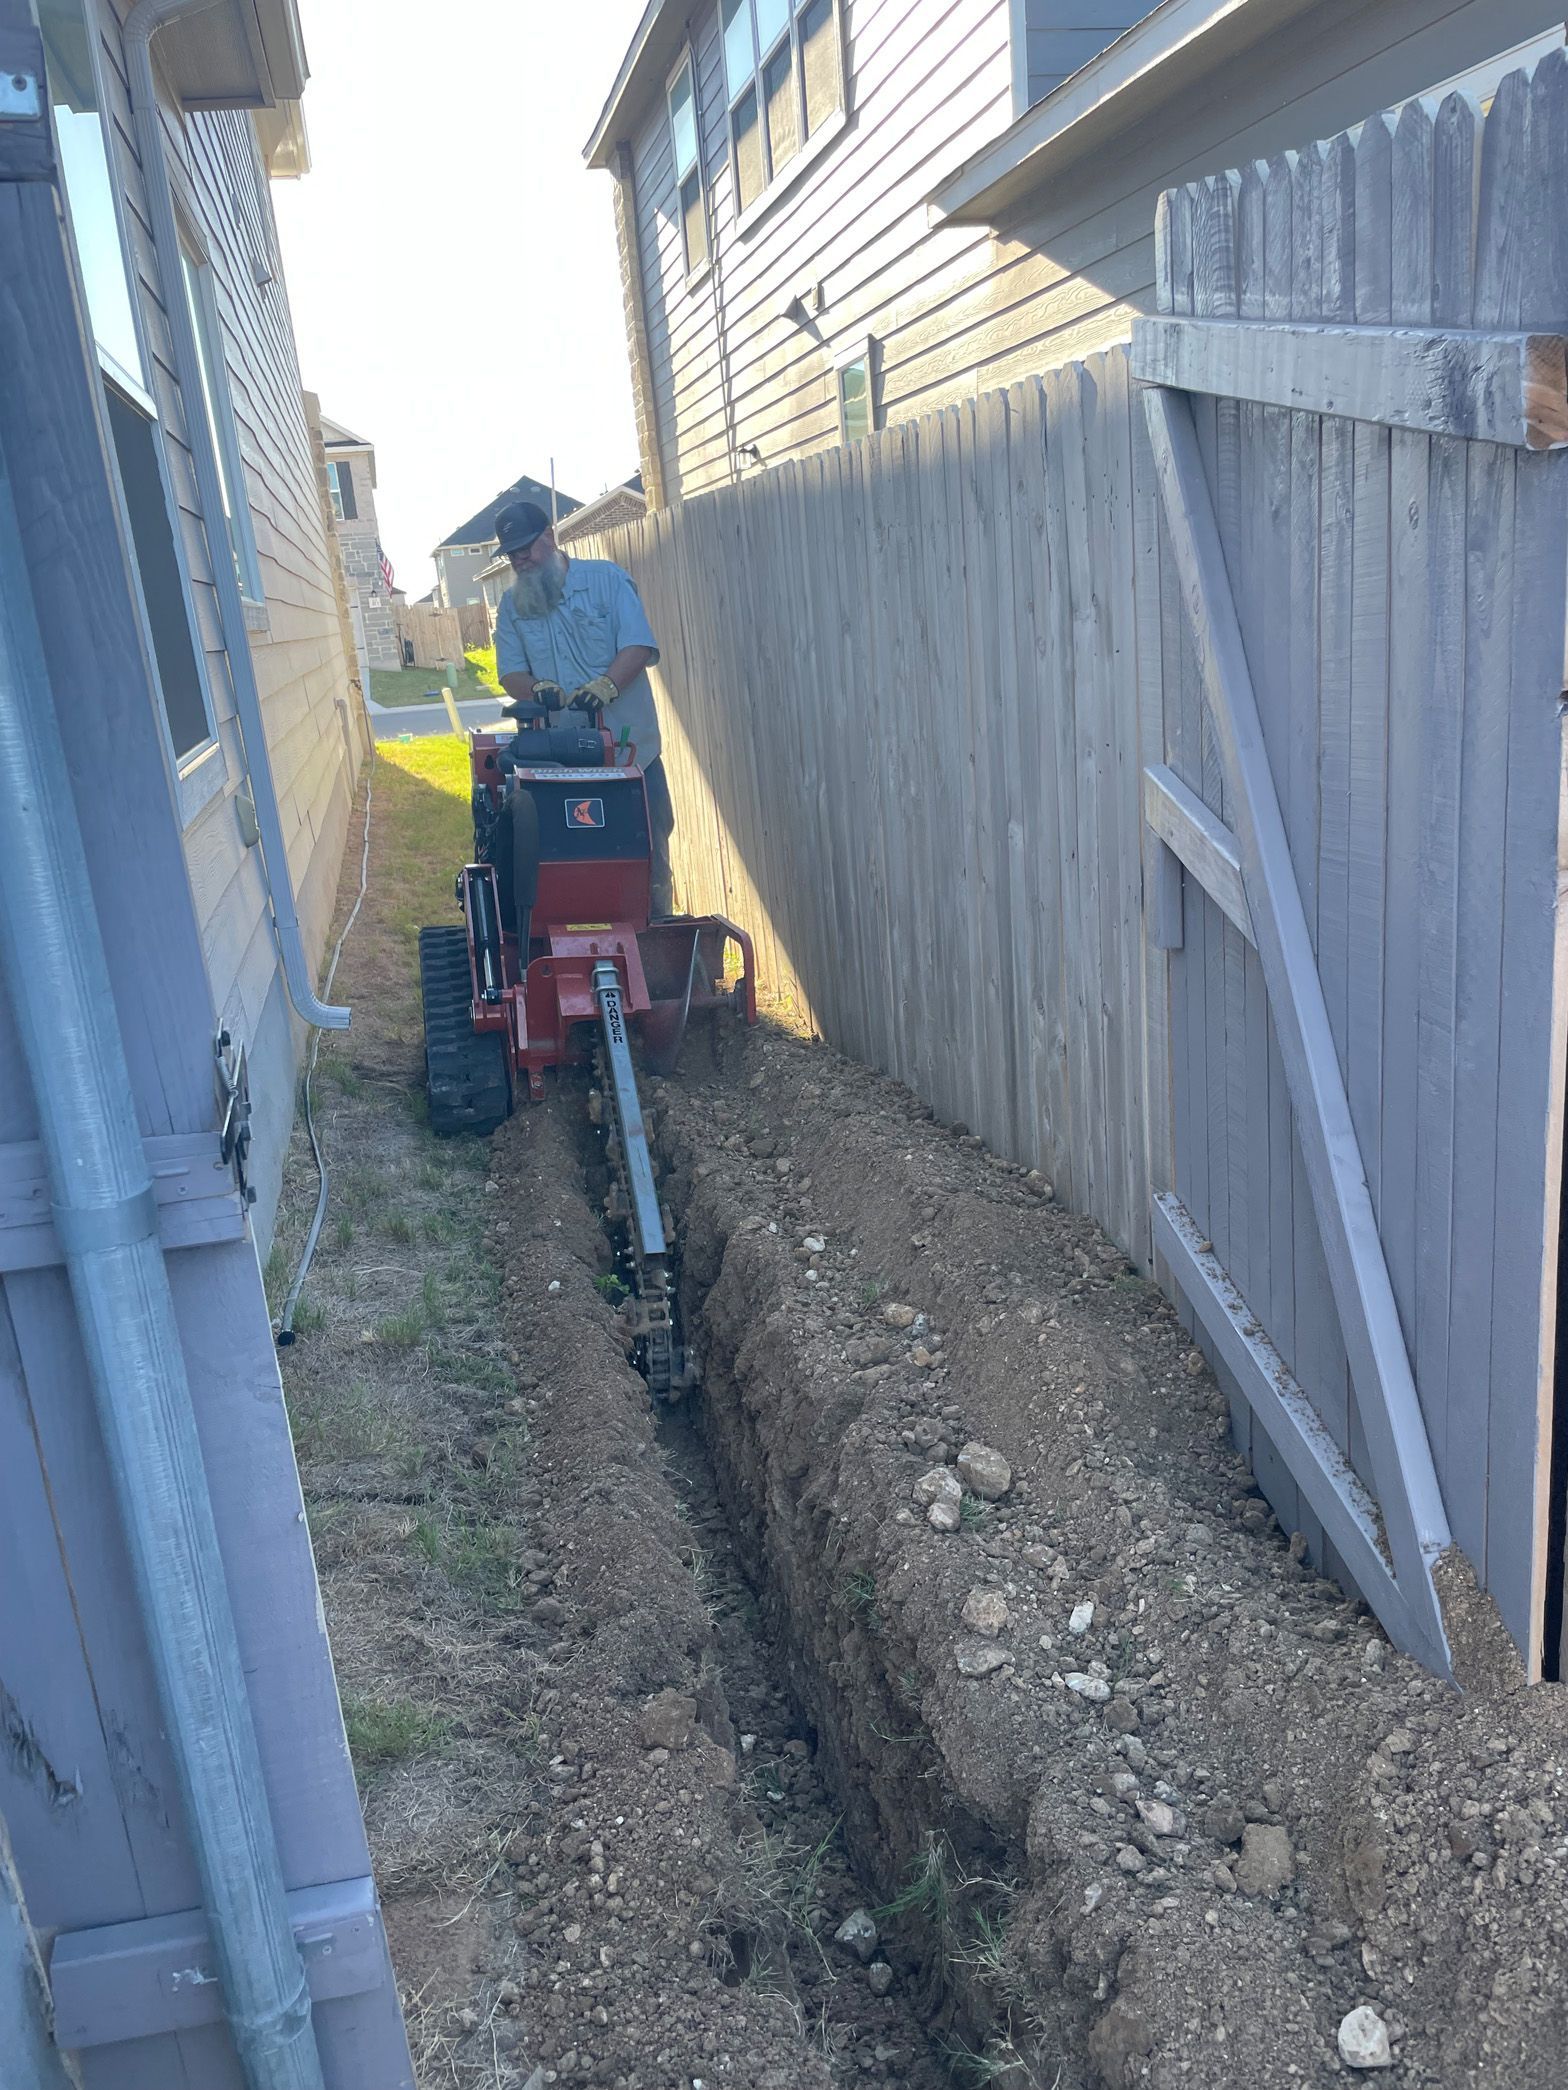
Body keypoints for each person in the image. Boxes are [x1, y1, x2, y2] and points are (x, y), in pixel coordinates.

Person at [491, 499, 675, 916]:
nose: (520, 560)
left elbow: (638, 644)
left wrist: (609, 684)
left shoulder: (608, 581)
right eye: (512, 553)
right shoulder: (512, 607)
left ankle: (659, 941)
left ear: (550, 536)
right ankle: (570, 935)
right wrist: (539, 690)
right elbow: (510, 674)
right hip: (560, 763)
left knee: (648, 854)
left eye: (526, 548)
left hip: (630, 754)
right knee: (562, 859)